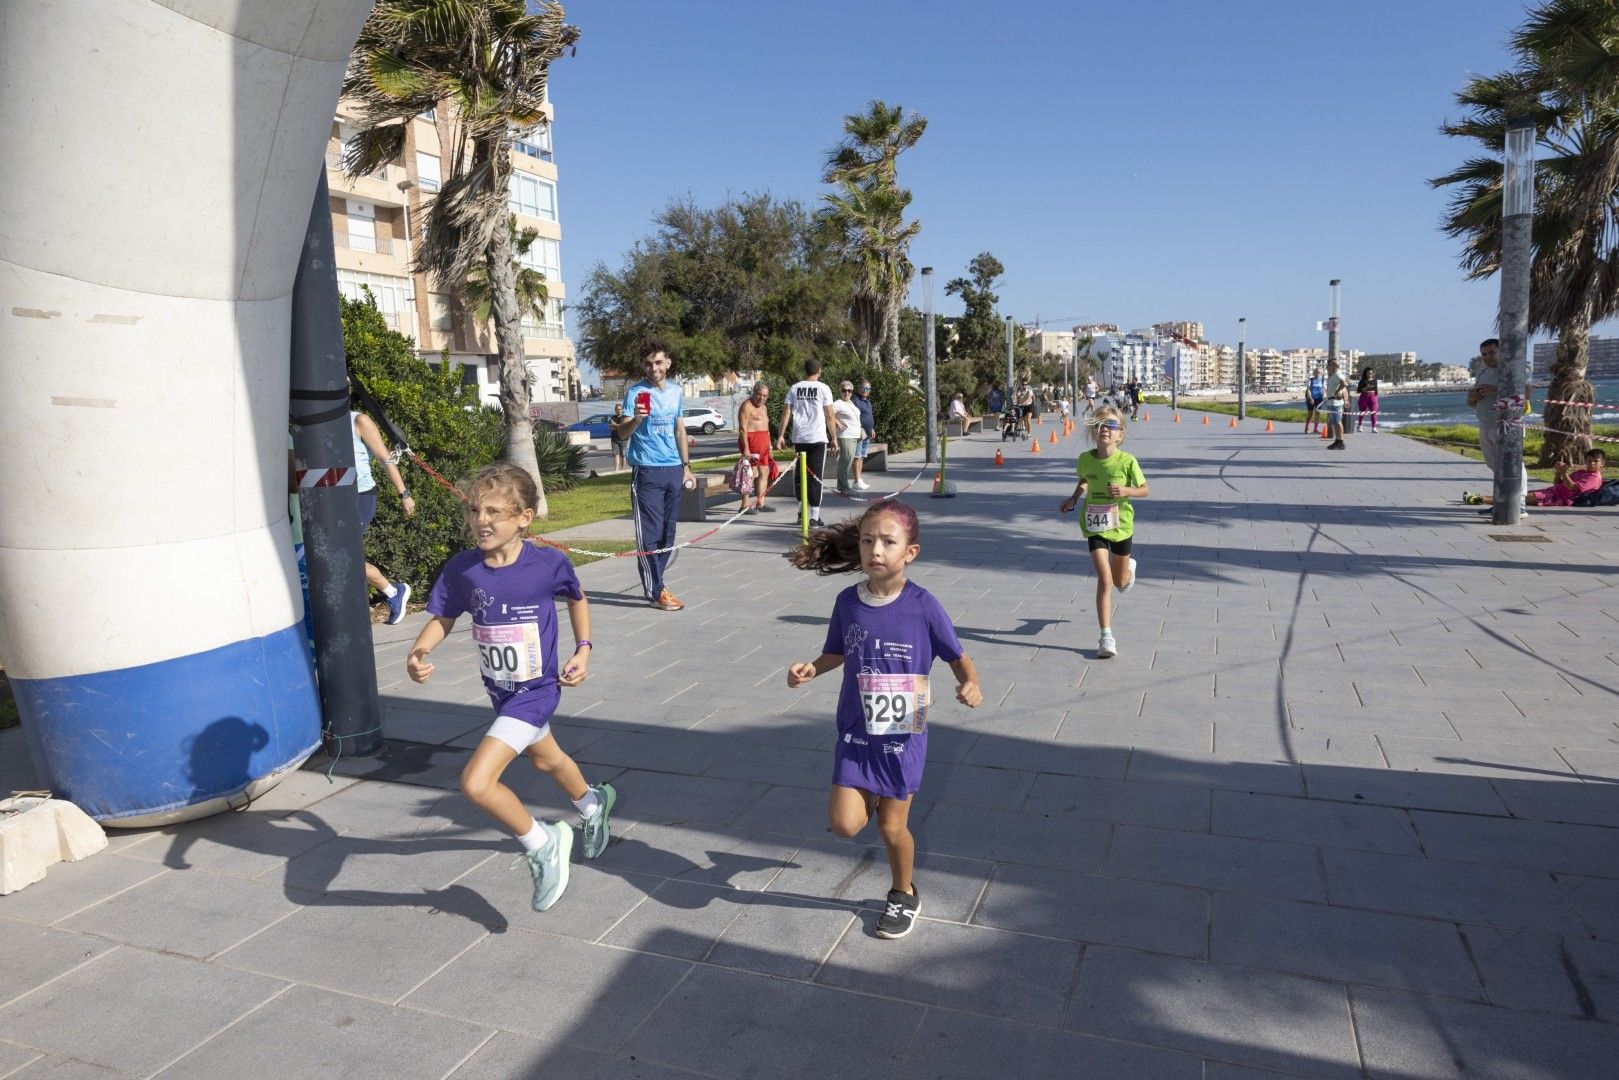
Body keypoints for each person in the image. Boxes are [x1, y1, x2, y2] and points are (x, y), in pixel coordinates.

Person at [407, 464, 616, 912]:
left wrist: (583, 649)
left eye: (494, 512)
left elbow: (577, 598)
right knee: (547, 759)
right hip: (501, 692)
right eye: (474, 511)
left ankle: (542, 842)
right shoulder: (464, 569)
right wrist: (419, 652)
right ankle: (593, 804)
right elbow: (444, 616)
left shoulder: (547, 563)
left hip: (538, 690)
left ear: (524, 517)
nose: (481, 521)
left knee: (477, 783)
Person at [784, 499, 982, 939]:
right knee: (845, 825)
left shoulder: (923, 605)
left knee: (893, 828)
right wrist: (811, 668)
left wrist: (970, 683)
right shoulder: (847, 602)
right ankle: (867, 793)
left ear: (909, 553)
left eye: (888, 543)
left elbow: (958, 656)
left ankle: (903, 892)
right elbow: (837, 649)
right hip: (855, 729)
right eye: (868, 540)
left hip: (901, 732)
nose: (876, 550)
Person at [1058, 406, 1148, 660]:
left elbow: (1144, 489)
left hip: (1121, 526)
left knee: (1120, 582)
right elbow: (1084, 479)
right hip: (1094, 524)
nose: (1105, 429)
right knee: (1105, 579)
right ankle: (1106, 636)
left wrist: (1127, 491)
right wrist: (1074, 497)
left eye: (1111, 425)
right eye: (1099, 424)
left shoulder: (1128, 461)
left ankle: (1129, 569)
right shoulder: (1085, 459)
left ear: (1120, 434)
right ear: (1093, 431)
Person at [613, 341, 695, 611]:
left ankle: (655, 583)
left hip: (673, 469)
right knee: (648, 535)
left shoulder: (676, 392)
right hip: (647, 471)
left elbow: (680, 430)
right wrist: (636, 419)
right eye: (648, 364)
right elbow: (623, 434)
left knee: (667, 533)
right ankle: (657, 589)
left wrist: (686, 466)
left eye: (658, 362)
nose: (653, 368)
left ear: (668, 363)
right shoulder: (635, 392)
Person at [351, 405, 416, 624]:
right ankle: (394, 593)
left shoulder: (359, 421)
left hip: (361, 496)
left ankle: (392, 593)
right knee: (343, 556)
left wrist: (404, 493)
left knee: (348, 555)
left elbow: (385, 458)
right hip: (334, 498)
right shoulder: (318, 423)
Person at [1465, 338, 1531, 515]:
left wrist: (1494, 390)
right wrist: (1473, 398)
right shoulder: (1482, 372)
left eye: (1492, 353)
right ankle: (1501, 501)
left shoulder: (1517, 369)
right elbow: (1472, 402)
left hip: (1508, 423)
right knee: (1495, 466)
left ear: (1503, 351)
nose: (1488, 357)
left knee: (1513, 463)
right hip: (1485, 423)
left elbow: (1526, 395)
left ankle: (1520, 502)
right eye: (1484, 354)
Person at [776, 357, 838, 526]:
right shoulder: (824, 388)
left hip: (800, 438)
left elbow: (786, 412)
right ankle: (814, 516)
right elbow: (830, 415)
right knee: (815, 477)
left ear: (805, 371)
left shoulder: (795, 388)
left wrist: (781, 435)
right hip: (817, 439)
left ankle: (801, 512)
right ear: (819, 371)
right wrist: (834, 438)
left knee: (800, 476)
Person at [1467, 448, 1607, 507]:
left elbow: (1573, 488)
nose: (1592, 463)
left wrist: (1564, 473)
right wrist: (1559, 472)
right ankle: (1480, 497)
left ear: (1602, 463)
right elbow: (1558, 482)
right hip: (1553, 491)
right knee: (1521, 496)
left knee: (1520, 500)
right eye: (1589, 460)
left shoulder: (1593, 478)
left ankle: (1479, 499)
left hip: (1559, 498)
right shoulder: (1583, 472)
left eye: (1596, 461)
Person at [735, 382, 777, 513]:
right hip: (750, 443)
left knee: (764, 472)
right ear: (754, 393)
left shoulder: (764, 408)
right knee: (750, 473)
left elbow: (766, 427)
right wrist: (746, 449)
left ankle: (761, 502)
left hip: (763, 444)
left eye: (765, 395)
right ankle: (745, 505)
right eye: (759, 395)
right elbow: (742, 428)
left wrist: (769, 447)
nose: (762, 398)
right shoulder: (747, 406)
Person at [832, 380, 863, 494]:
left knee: (848, 461)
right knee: (845, 461)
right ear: (840, 391)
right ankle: (843, 487)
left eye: (849, 391)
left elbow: (855, 418)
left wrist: (861, 430)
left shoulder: (850, 403)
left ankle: (844, 485)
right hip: (846, 436)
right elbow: (827, 413)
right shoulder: (838, 403)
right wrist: (837, 422)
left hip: (854, 436)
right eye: (844, 390)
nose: (847, 393)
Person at [852, 380, 876, 492]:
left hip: (867, 433)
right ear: (859, 388)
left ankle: (859, 480)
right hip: (859, 433)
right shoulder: (855, 400)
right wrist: (860, 428)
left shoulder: (868, 401)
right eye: (864, 388)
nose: (866, 390)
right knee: (857, 457)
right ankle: (856, 481)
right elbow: (854, 417)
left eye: (868, 388)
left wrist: (871, 428)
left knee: (861, 456)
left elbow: (868, 416)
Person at [1322, 359, 1349, 450]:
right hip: (1331, 402)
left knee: (1337, 422)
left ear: (1334, 366)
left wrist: (1338, 392)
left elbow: (1344, 385)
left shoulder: (1338, 374)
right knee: (1335, 422)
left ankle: (1341, 442)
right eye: (1328, 366)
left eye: (1329, 366)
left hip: (1335, 403)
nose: (1328, 368)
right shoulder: (1333, 375)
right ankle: (1337, 441)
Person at [1355, 367, 1379, 433]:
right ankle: (1360, 426)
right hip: (1364, 397)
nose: (1370, 374)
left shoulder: (1375, 381)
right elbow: (1358, 391)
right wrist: (1366, 387)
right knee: (1362, 412)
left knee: (1374, 412)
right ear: (1365, 373)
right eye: (1368, 373)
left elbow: (1376, 390)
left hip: (1373, 397)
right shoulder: (1362, 381)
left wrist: (1376, 399)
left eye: (1371, 373)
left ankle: (1374, 427)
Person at [608, 402, 629, 471]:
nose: (619, 410)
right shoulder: (612, 418)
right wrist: (619, 426)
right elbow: (610, 428)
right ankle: (616, 470)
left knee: (623, 455)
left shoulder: (625, 418)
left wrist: (616, 425)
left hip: (624, 439)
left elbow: (625, 428)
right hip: (614, 439)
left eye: (620, 409)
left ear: (622, 410)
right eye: (617, 409)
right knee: (616, 454)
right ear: (615, 410)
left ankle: (623, 469)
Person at [1304, 368, 1325, 434]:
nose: (1318, 373)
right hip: (1311, 399)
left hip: (1319, 399)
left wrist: (1325, 396)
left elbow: (1324, 390)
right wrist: (1310, 398)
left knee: (1317, 414)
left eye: (1320, 372)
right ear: (1314, 373)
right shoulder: (1310, 380)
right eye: (1316, 372)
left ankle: (1315, 429)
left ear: (1322, 373)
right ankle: (1306, 427)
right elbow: (1308, 390)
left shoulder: (1323, 381)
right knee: (1310, 414)